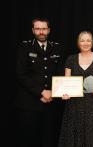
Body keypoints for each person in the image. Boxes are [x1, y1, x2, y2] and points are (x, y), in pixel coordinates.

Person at [14, 18, 65, 147]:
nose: (41, 32)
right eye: (37, 29)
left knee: (49, 139)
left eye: (43, 29)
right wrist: (42, 92)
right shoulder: (25, 47)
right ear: (33, 30)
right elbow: (21, 74)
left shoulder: (57, 48)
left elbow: (61, 73)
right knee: (29, 139)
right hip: (29, 103)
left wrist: (53, 92)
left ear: (48, 30)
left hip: (52, 102)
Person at [58, 31, 93, 147]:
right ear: (78, 43)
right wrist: (65, 93)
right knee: (75, 133)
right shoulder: (71, 59)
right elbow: (67, 81)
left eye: (88, 40)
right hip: (75, 104)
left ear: (92, 42)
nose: (85, 43)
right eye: (82, 40)